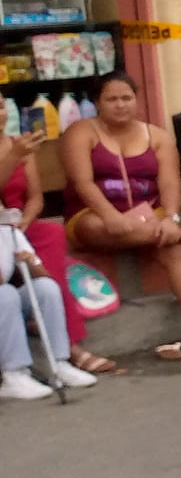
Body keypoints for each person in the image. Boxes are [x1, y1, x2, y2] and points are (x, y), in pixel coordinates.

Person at [59, 72, 181, 359]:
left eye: (127, 98)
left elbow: (170, 183)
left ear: (137, 100)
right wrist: (112, 216)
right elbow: (83, 183)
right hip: (95, 214)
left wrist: (171, 217)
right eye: (111, 99)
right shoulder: (81, 132)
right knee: (97, 226)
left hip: (149, 215)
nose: (120, 105)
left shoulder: (157, 135)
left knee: (174, 249)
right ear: (97, 103)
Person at [0, 128, 114, 374]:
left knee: (51, 233)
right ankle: (60, 342)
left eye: (0, 109)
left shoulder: (18, 145)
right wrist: (13, 156)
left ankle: (63, 338)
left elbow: (35, 198)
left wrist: (25, 221)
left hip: (18, 225)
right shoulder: (18, 150)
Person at [0, 221, 95, 398]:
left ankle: (59, 364)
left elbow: (43, 274)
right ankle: (14, 375)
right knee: (6, 294)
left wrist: (30, 262)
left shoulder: (9, 232)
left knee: (46, 287)